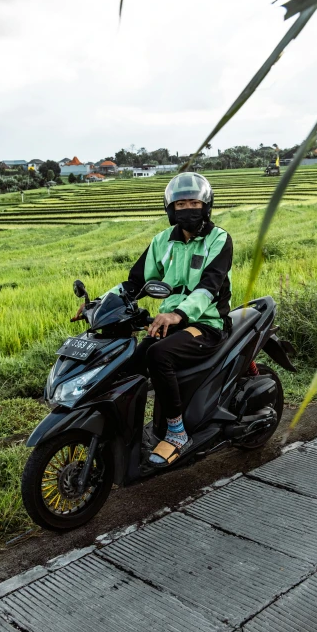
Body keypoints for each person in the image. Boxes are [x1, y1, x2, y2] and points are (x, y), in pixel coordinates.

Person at [106, 172, 233, 467]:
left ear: (206, 206)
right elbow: (135, 282)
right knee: (129, 365)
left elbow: (209, 286)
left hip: (207, 324)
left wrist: (179, 314)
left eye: (193, 202)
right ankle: (131, 431)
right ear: (170, 209)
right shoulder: (162, 241)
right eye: (180, 204)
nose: (187, 209)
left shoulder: (219, 240)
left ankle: (177, 432)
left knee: (159, 355)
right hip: (169, 322)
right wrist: (102, 303)